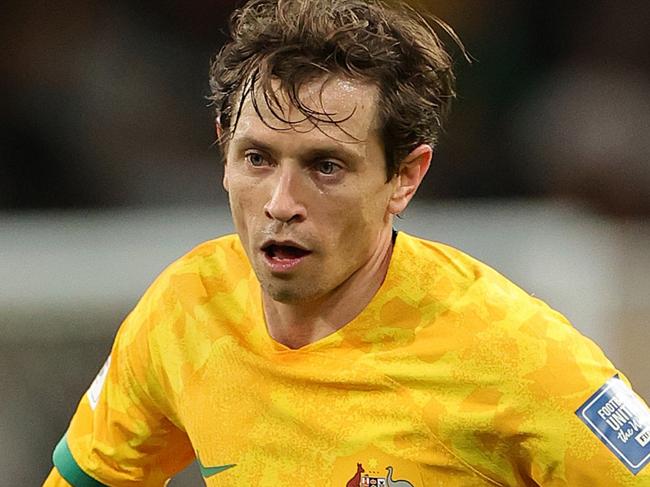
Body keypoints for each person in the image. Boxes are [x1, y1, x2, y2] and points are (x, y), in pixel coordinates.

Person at [44, 0, 650, 485]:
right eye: (256, 158)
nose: (281, 203)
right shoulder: (186, 309)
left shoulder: (518, 356)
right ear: (223, 146)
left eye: (326, 166)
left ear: (404, 177)